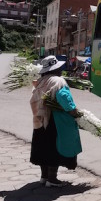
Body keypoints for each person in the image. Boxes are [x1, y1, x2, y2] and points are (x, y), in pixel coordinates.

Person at [29, 55, 83, 187]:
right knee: (54, 148)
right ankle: (52, 179)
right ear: (55, 69)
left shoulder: (41, 81)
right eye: (59, 68)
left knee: (43, 147)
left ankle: (44, 177)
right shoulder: (58, 81)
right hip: (54, 121)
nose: (61, 71)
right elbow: (64, 97)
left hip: (40, 120)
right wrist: (74, 112)